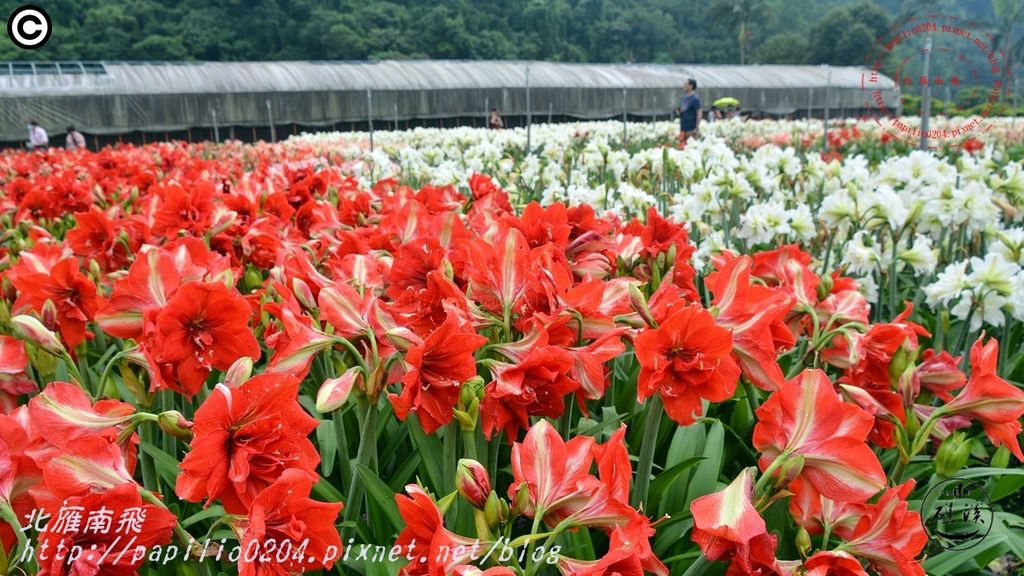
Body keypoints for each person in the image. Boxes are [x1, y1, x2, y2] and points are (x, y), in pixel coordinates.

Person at [677, 78, 701, 143]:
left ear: (691, 86)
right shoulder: (683, 98)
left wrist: (696, 128)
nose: (683, 86)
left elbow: (699, 113)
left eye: (685, 84)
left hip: (691, 130)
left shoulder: (695, 99)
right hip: (683, 128)